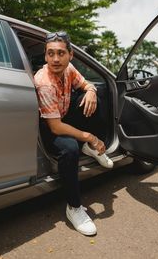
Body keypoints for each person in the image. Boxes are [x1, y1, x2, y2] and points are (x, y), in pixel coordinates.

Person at [34, 31, 113, 236]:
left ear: (71, 55)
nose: (55, 59)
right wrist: (90, 136)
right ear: (45, 56)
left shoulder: (69, 68)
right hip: (50, 126)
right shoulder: (44, 82)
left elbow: (86, 84)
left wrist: (91, 92)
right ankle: (74, 207)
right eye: (50, 54)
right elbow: (56, 128)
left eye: (60, 53)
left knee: (98, 94)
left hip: (64, 116)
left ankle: (89, 148)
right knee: (69, 149)